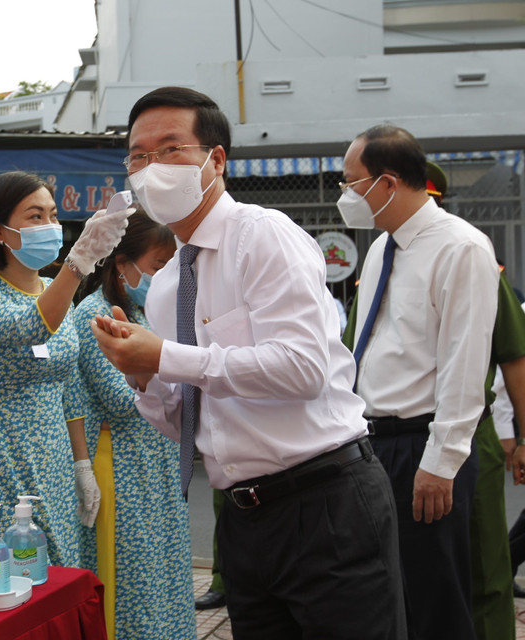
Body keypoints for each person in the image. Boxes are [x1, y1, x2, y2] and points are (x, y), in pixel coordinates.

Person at [90, 86, 406, 639]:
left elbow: (302, 369)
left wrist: (165, 354)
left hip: (324, 501)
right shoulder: (164, 287)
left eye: (170, 149)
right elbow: (188, 420)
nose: (152, 168)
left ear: (215, 160)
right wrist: (144, 378)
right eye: (138, 156)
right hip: (240, 517)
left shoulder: (262, 235)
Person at [340, 125, 498, 639]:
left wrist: (442, 461)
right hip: (371, 443)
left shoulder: (461, 248)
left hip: (423, 447)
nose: (345, 195)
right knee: (384, 595)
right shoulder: (382, 248)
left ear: (387, 183)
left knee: (435, 600)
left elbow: (464, 359)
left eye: (351, 183)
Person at [0, 170, 129, 568]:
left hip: (55, 460)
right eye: (34, 217)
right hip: (3, 455)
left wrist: (81, 464)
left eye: (52, 215)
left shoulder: (55, 291)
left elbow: (69, 387)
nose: (49, 226)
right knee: (11, 576)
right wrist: (79, 262)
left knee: (60, 572)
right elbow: (31, 326)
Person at [73, 211, 195, 640]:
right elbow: (123, 402)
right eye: (157, 266)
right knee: (134, 577)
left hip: (159, 463)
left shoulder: (151, 312)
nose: (164, 277)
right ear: (121, 264)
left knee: (167, 571)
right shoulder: (94, 317)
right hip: (122, 466)